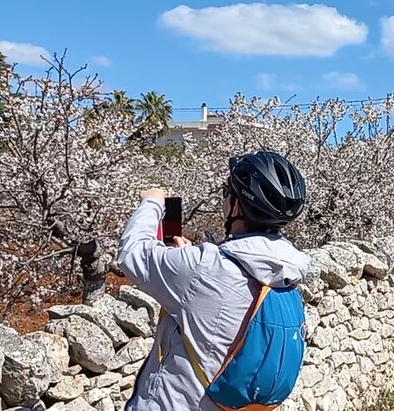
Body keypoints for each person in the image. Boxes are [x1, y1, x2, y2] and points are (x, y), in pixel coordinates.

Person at [117, 150, 310, 410]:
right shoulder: (287, 272)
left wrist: (151, 203)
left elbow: (132, 254)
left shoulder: (203, 267)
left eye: (226, 192)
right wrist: (188, 258)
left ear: (238, 205)